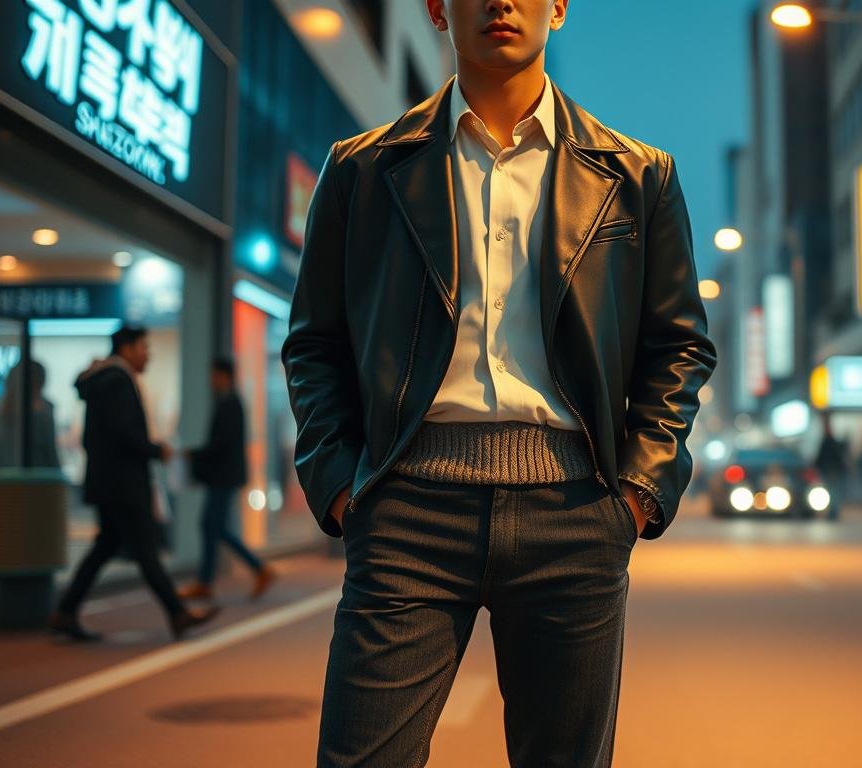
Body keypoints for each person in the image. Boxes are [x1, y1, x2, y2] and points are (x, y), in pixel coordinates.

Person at [282, 1, 716, 764]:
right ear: (436, 10)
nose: (500, 2)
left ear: (559, 7)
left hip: (576, 515)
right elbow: (315, 342)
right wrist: (343, 488)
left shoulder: (637, 174)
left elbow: (678, 345)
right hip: (406, 512)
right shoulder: (362, 168)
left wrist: (638, 492)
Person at [50, 326, 218, 642]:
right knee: (145, 549)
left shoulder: (106, 379)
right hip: (122, 483)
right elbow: (123, 433)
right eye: (143, 348)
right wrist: (156, 450)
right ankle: (177, 613)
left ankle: (66, 611)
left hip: (110, 480)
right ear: (126, 349)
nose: (148, 355)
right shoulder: (117, 380)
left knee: (107, 546)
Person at [178, 357, 276, 602]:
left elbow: (221, 444)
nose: (211, 380)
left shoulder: (229, 403)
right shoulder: (230, 401)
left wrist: (195, 454)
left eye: (214, 375)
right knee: (214, 526)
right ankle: (214, 579)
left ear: (224, 376)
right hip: (224, 476)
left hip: (223, 477)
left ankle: (253, 571)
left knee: (212, 525)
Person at [814, 418, 848, 519]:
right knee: (833, 491)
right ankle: (833, 512)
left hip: (831, 471)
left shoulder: (828, 442)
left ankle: (833, 512)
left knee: (833, 492)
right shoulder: (830, 442)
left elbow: (824, 457)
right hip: (830, 471)